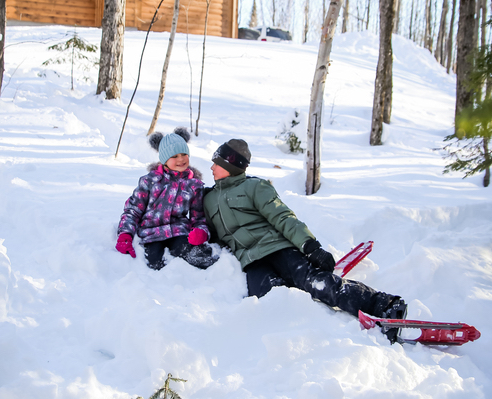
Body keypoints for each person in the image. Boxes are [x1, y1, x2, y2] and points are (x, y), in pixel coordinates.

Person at [203, 138, 407, 336]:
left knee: (314, 282)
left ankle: (384, 304)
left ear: (230, 165)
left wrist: (311, 246)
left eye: (217, 163)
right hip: (252, 261)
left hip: (276, 248)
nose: (212, 168)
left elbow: (283, 217)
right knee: (268, 299)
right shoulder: (209, 199)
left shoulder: (255, 187)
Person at [115, 127, 218, 270]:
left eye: (184, 154)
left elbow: (198, 217)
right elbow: (133, 210)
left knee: (198, 257)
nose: (181, 159)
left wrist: (201, 232)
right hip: (151, 233)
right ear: (164, 160)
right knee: (154, 264)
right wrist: (125, 234)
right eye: (174, 156)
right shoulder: (150, 181)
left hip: (178, 231)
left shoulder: (194, 185)